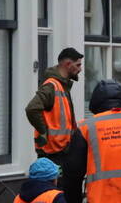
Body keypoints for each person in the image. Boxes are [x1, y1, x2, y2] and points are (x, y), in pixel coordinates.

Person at [24, 48, 84, 179]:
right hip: (53, 154)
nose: (80, 69)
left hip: (60, 151)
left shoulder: (61, 86)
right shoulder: (51, 86)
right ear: (68, 64)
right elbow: (32, 109)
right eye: (78, 65)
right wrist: (43, 132)